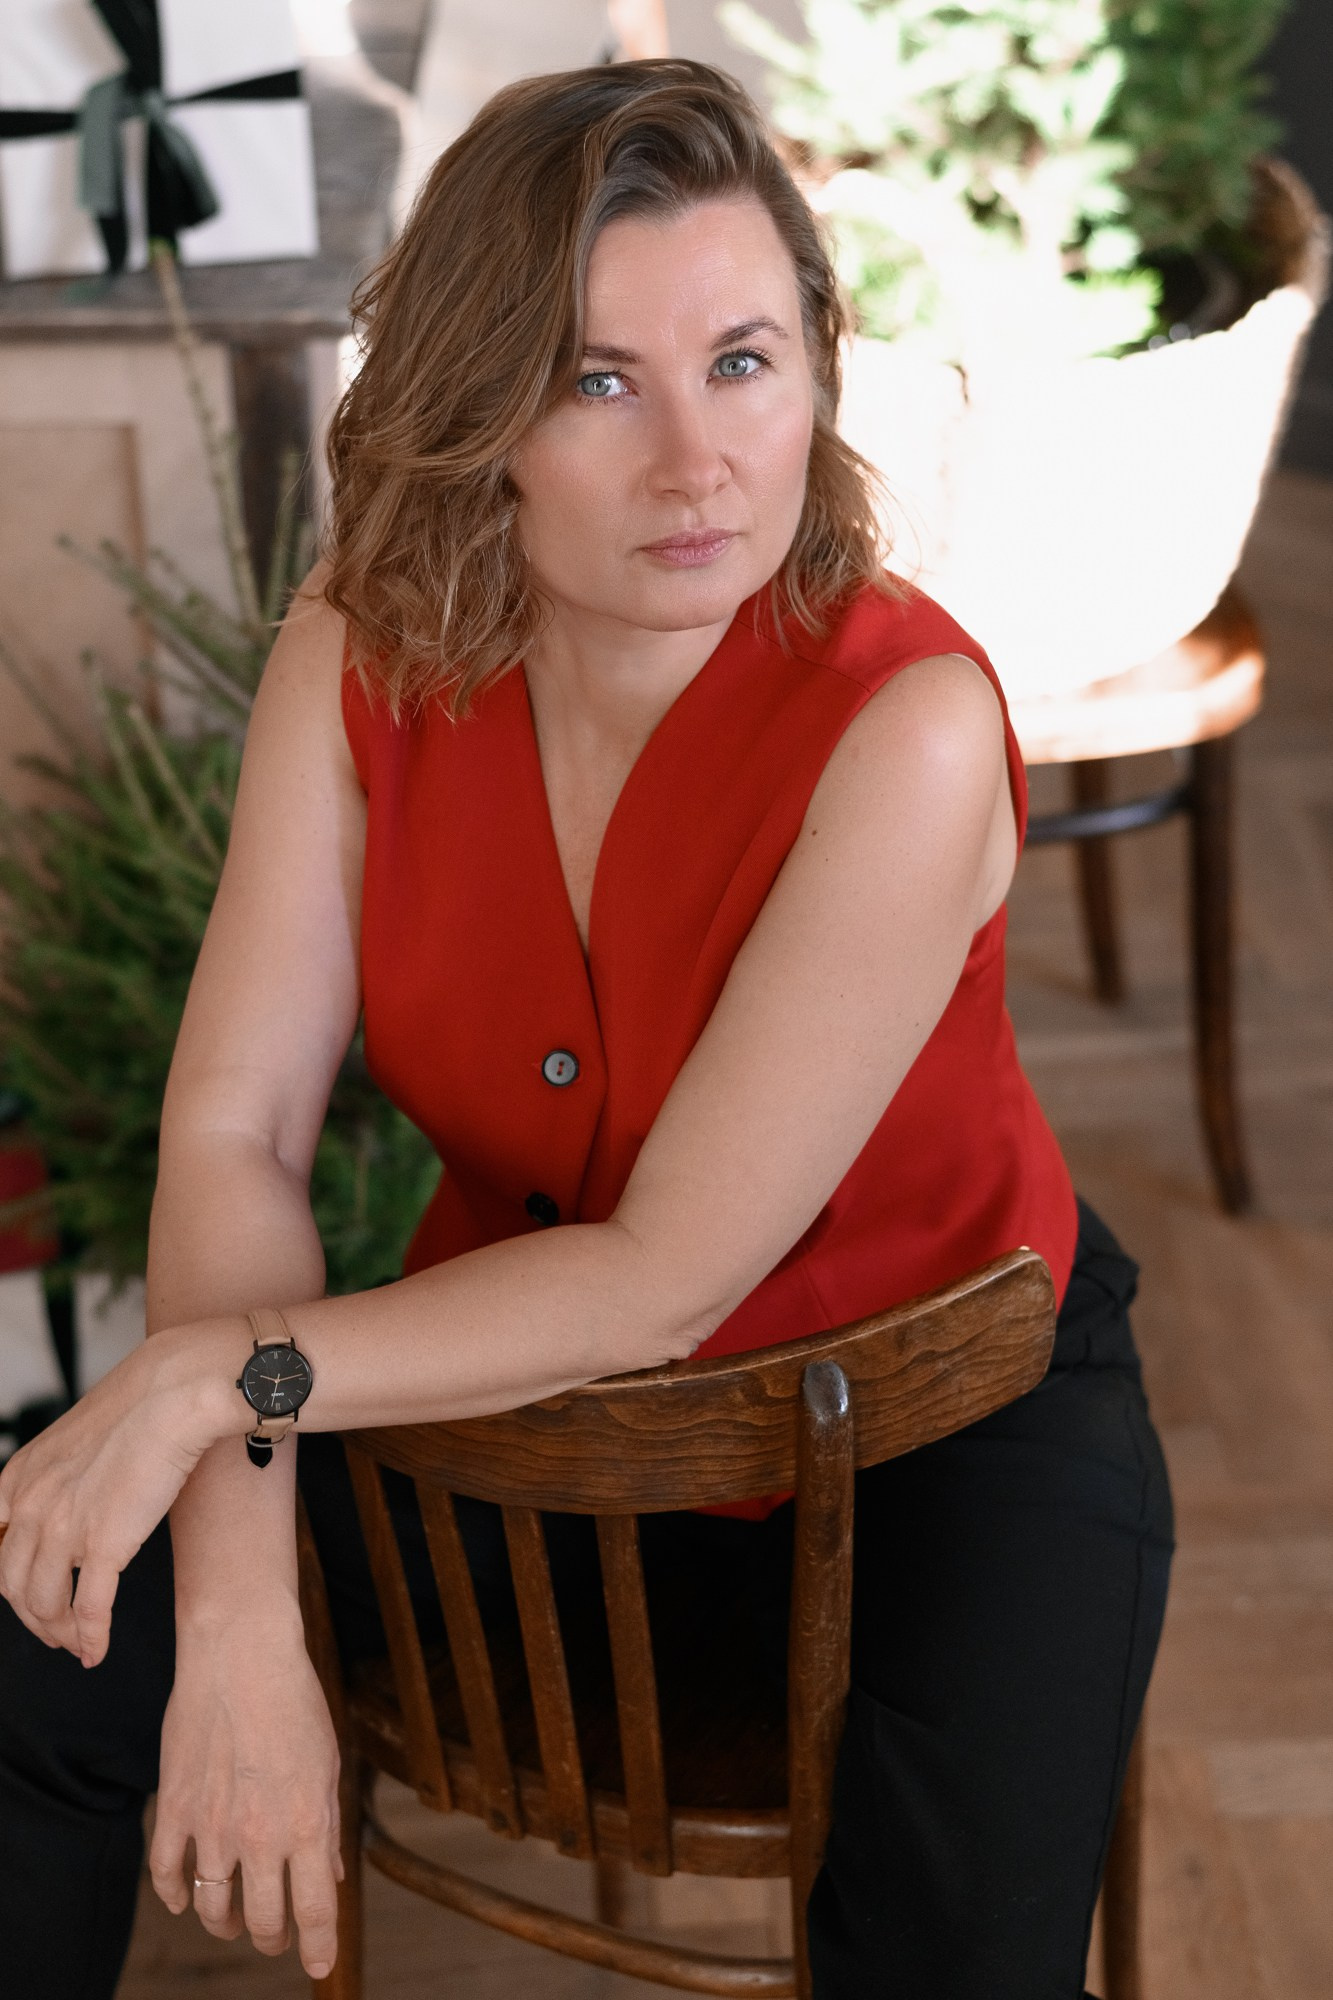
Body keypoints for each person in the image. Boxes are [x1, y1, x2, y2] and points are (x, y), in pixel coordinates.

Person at [0, 59, 1173, 2000]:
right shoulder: (360, 654)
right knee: (41, 1631)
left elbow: (663, 1281)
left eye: (742, 362)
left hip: (933, 1435)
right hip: (515, 1417)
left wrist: (219, 1380)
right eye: (598, 381)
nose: (697, 461)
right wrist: (238, 1618)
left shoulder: (908, 725)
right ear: (480, 414)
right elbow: (234, 1132)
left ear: (819, 365)